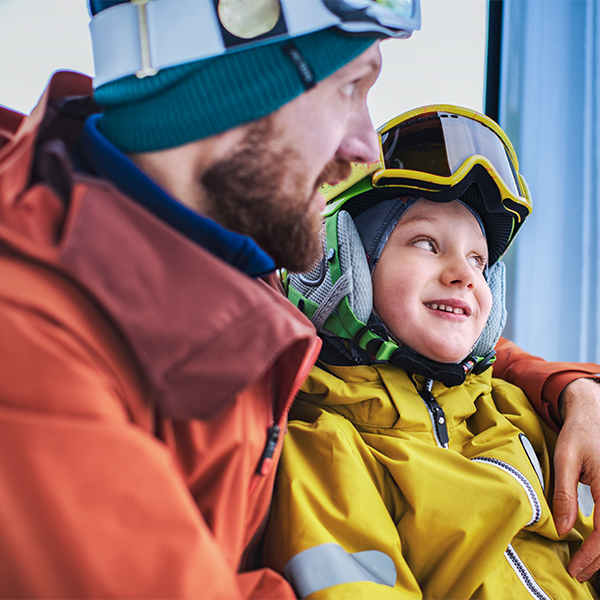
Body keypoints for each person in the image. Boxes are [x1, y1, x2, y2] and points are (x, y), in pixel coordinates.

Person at [0, 1, 598, 596]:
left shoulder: (235, 265)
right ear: (240, 79)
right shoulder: (34, 357)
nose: (365, 147)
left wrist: (570, 391)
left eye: (477, 262)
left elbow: (436, 358)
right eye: (350, 88)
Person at [261, 105, 599, 598]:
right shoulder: (329, 448)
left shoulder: (516, 411)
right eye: (425, 242)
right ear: (343, 262)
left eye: (479, 260)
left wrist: (580, 392)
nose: (463, 273)